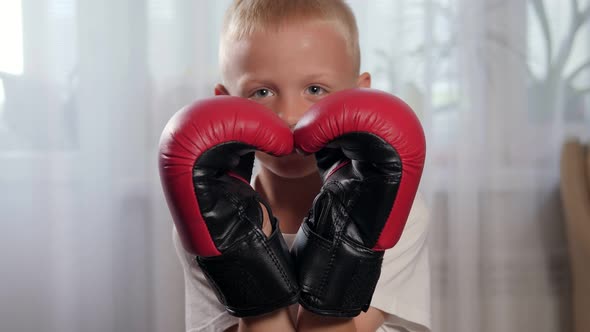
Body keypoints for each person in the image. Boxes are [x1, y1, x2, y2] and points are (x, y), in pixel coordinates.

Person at [168, 1, 431, 331]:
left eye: (315, 89)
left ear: (359, 97)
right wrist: (242, 248)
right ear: (226, 104)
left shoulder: (394, 210)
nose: (290, 115)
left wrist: (347, 237)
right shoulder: (205, 216)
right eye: (261, 91)